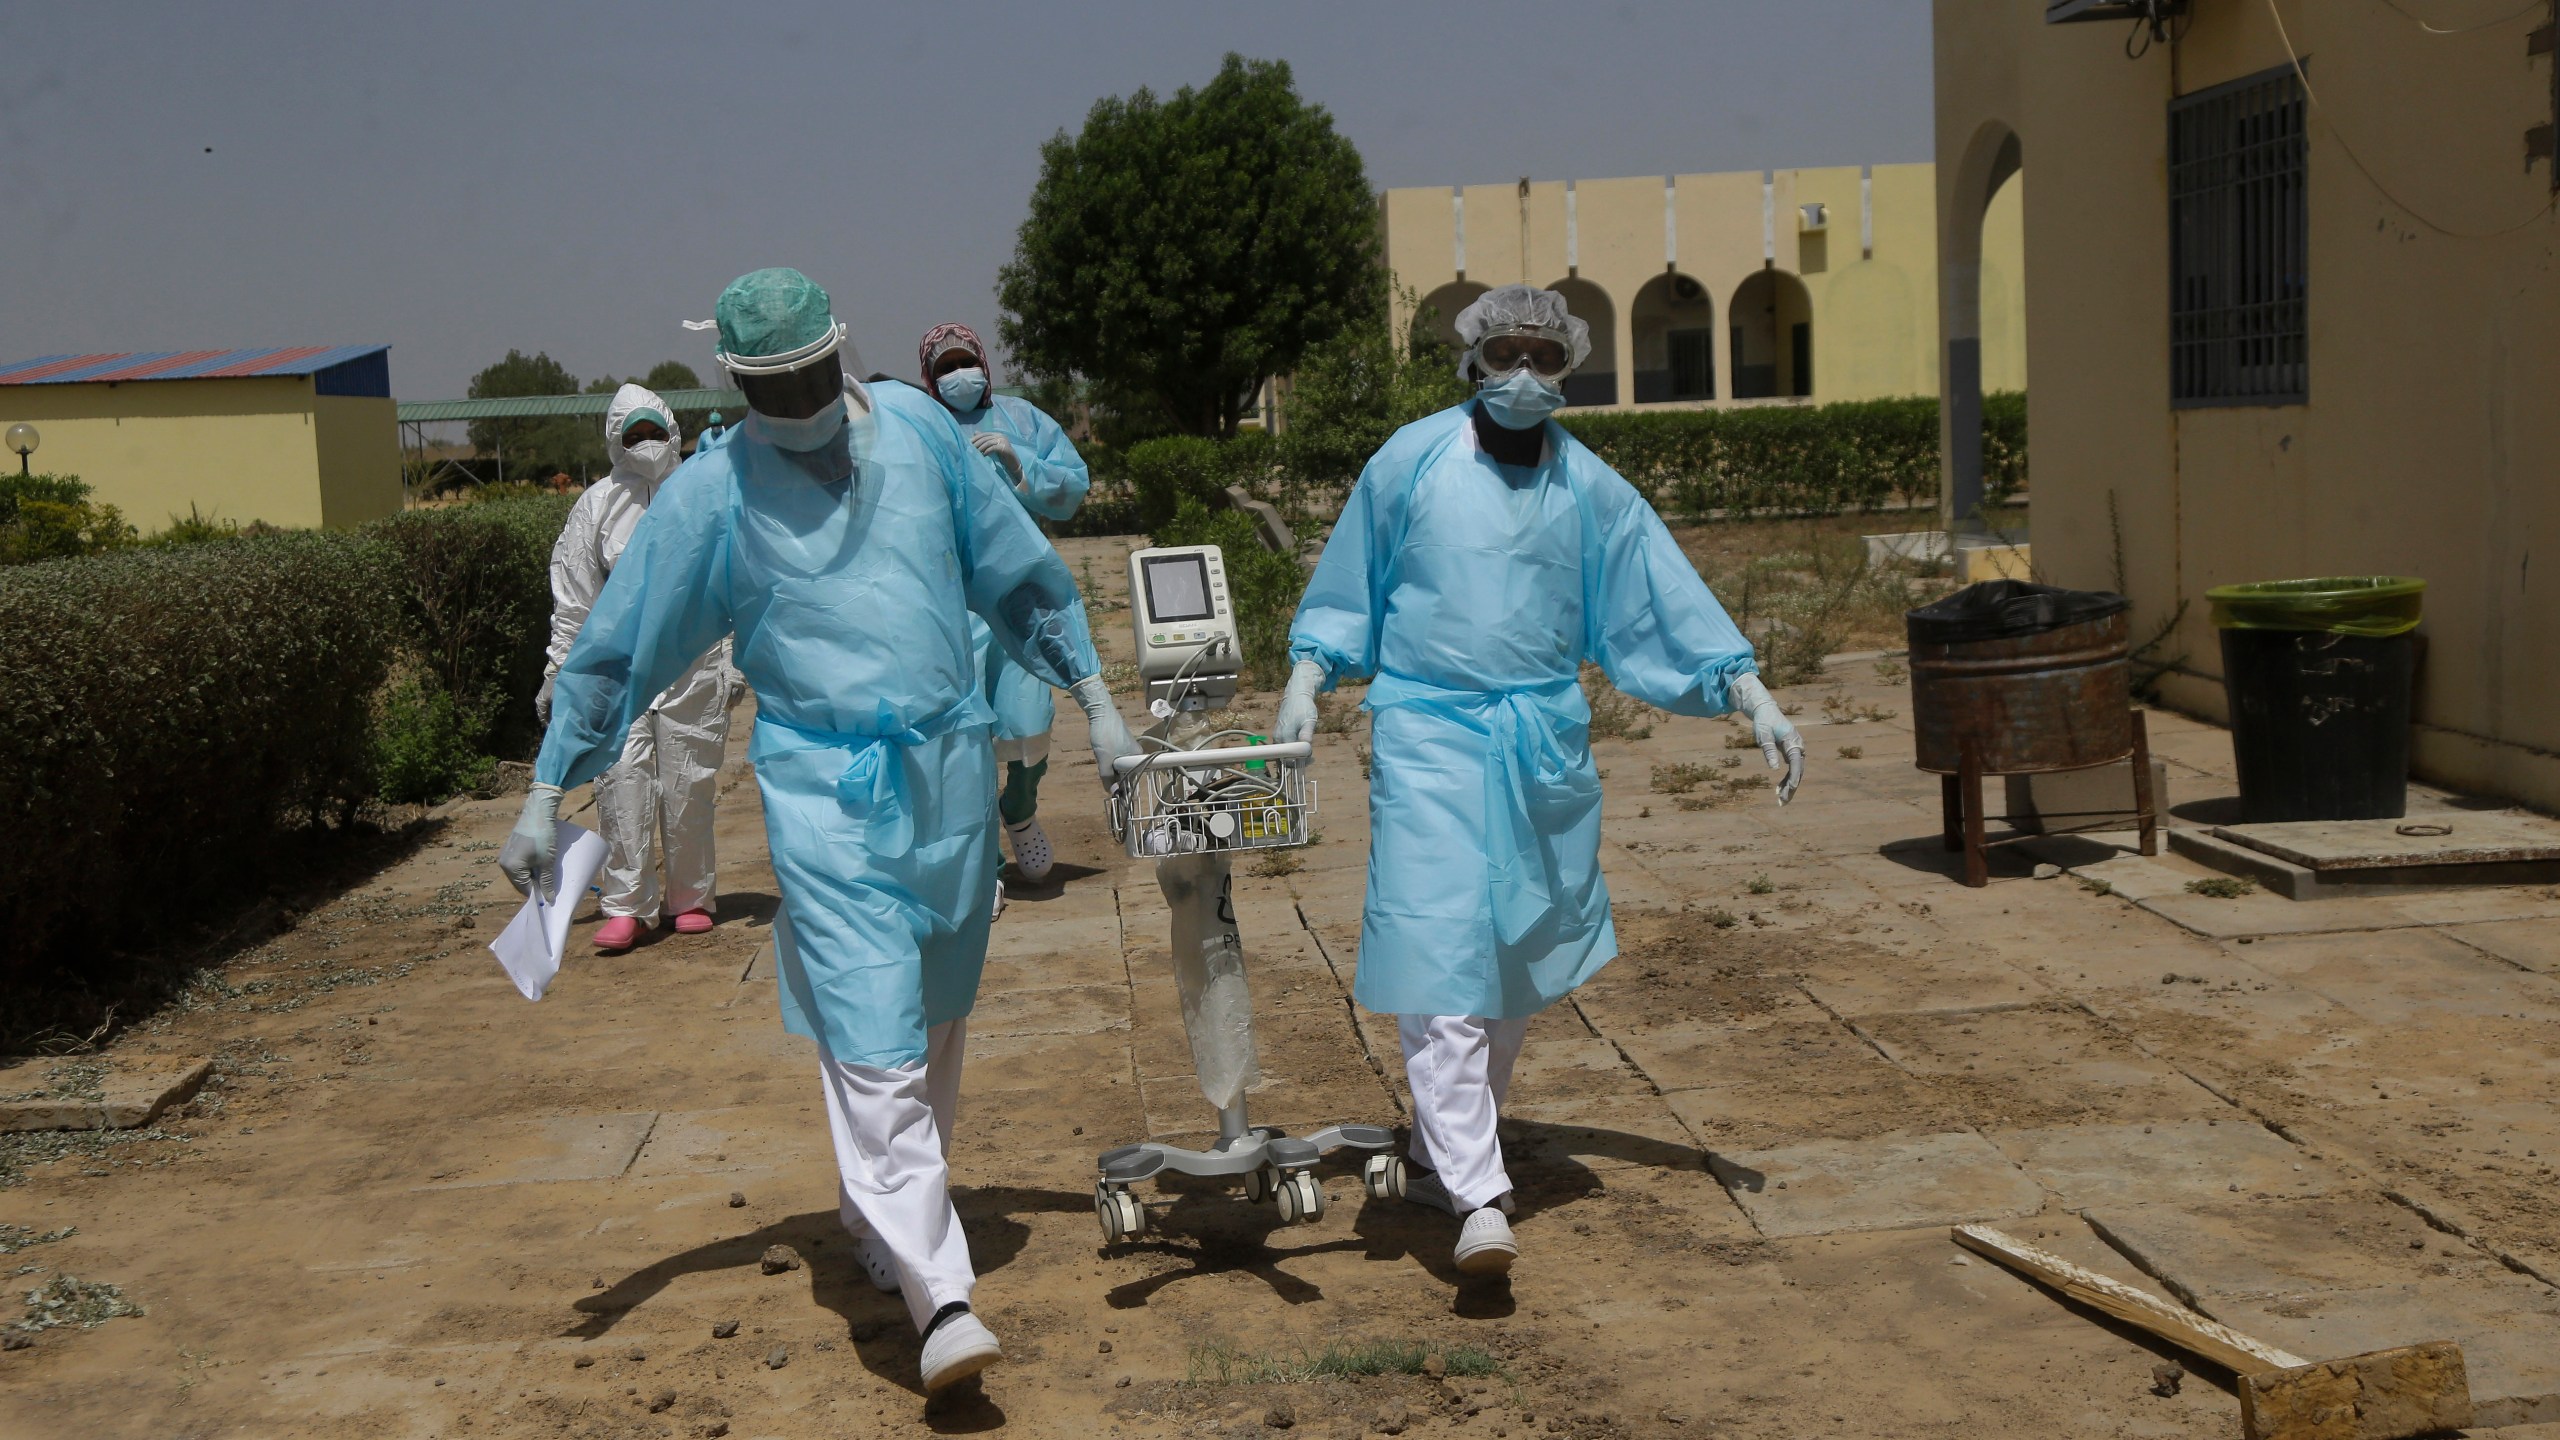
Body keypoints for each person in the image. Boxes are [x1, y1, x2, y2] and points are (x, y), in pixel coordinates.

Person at [498, 268, 1141, 1394]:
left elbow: (1017, 570)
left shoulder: (926, 440)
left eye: (807, 374)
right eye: (769, 384)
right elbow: (622, 639)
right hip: (822, 786)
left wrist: (1094, 700)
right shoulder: (713, 492)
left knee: (933, 1011)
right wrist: (548, 789)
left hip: (946, 770)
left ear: (839, 350)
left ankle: (876, 1216)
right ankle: (941, 1296)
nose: (794, 400)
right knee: (872, 1024)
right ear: (736, 382)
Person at [1273, 284, 1805, 1279]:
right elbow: (1352, 578)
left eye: (1543, 357)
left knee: (1511, 966)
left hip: (1539, 742)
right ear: (1473, 362)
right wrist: (1309, 672)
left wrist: (1748, 691)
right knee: (1441, 964)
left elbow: (1658, 594)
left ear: (1568, 367)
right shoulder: (1412, 460)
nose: (1523, 374)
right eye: (1505, 353)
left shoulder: (1590, 488)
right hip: (1429, 733)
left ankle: (1438, 1155)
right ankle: (1480, 1197)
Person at [540, 384, 737, 954]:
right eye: (635, 435)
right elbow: (573, 597)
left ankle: (691, 897)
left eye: (655, 432)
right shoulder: (597, 506)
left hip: (692, 664)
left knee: (689, 782)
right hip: (619, 670)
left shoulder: (699, 491)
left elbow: (729, 576)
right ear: (615, 442)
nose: (647, 444)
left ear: (673, 433)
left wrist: (736, 655)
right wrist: (560, 673)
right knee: (621, 783)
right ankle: (628, 905)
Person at [919, 322, 1091, 906]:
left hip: (1019, 597)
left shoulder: (1022, 418)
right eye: (944, 368)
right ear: (928, 377)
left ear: (985, 365)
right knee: (965, 732)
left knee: (1029, 719)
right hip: (954, 602)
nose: (957, 375)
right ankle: (985, 859)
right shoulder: (921, 428)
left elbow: (1074, 484)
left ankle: (1019, 808)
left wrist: (1022, 467)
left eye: (965, 362)